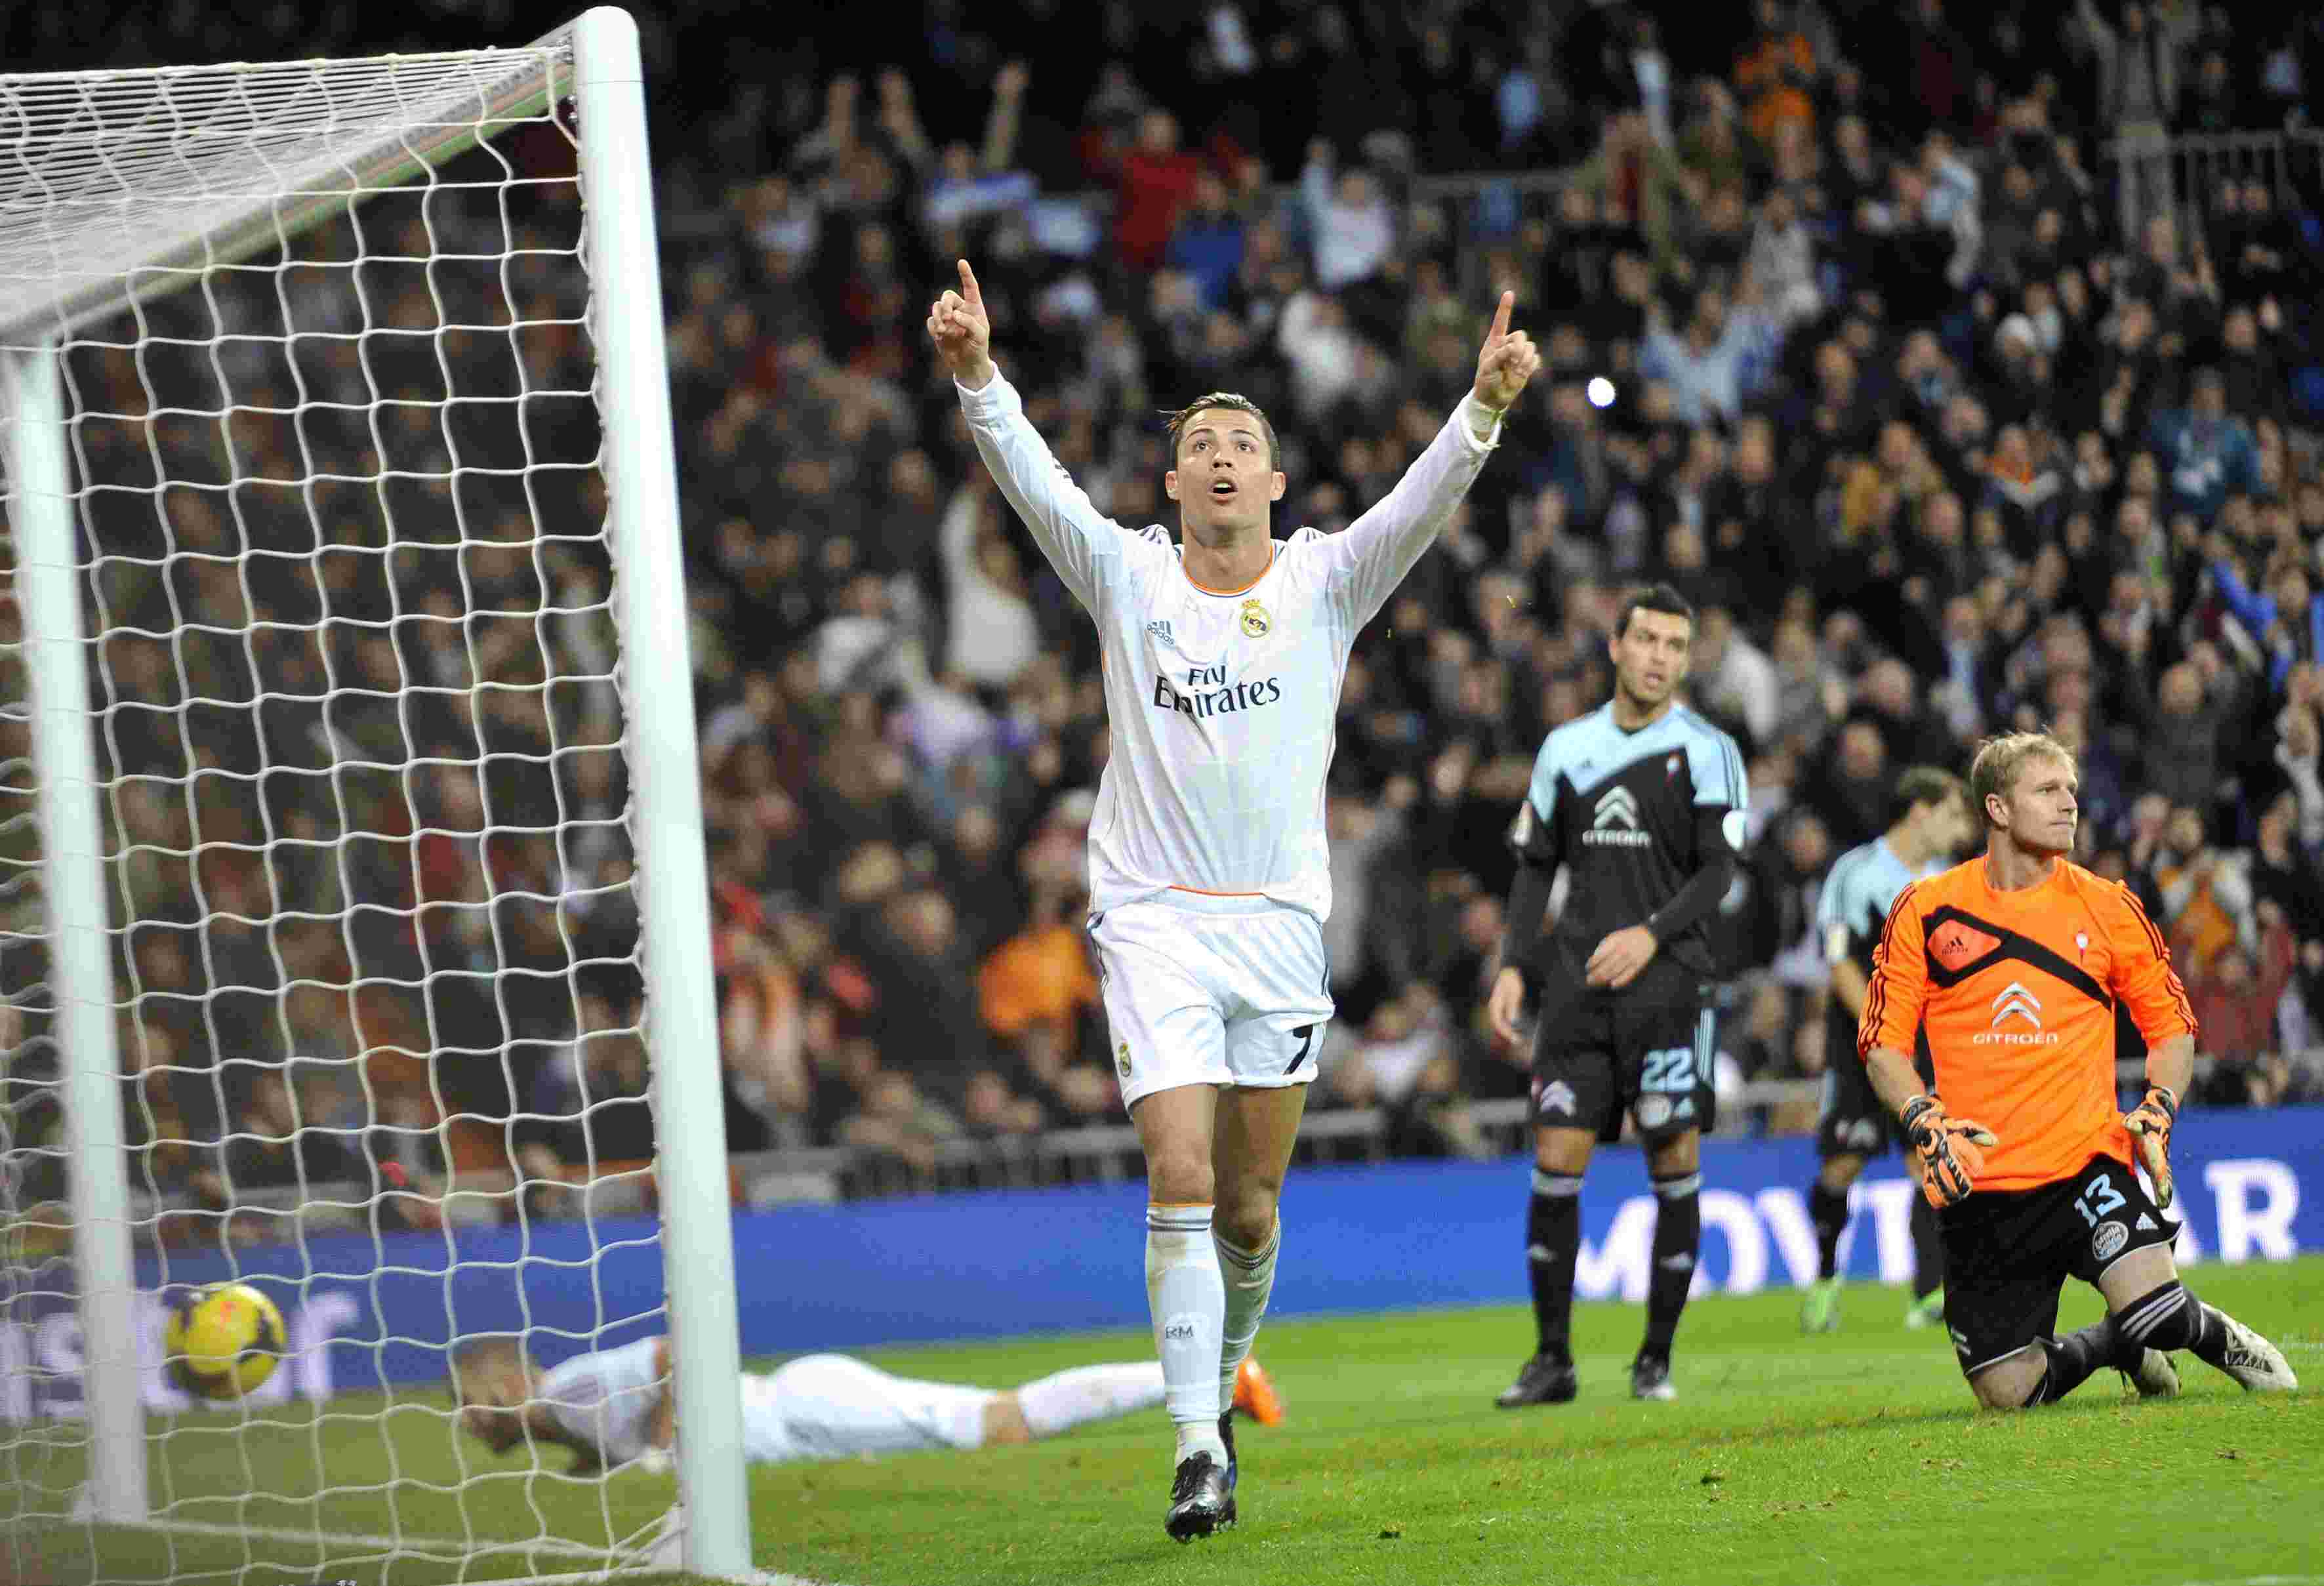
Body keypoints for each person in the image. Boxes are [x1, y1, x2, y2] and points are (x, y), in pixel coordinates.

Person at [926, 258, 1538, 1539]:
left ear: (1272, 482)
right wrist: (980, 377)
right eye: (1199, 444)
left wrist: (1480, 407)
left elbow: (1417, 504)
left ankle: (1220, 1379)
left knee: (1253, 1212)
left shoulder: (1322, 582)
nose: (1218, 457)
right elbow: (1034, 484)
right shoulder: (1127, 578)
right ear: (1170, 483)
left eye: (1240, 445)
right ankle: (1195, 1444)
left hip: (1277, 926)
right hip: (1151, 915)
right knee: (1182, 1170)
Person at [1855, 731, 2297, 1410]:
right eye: (2047, 791)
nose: (2069, 804)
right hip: (1981, 1186)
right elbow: (1882, 1043)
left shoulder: (2108, 906)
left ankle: (2219, 1338)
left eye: (2071, 790)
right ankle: (2116, 1345)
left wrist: (2159, 1106)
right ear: (1997, 808)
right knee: (2011, 1394)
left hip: (2085, 1164)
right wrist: (1922, 1116)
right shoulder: (1924, 909)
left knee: (2158, 1312)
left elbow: (2171, 1026)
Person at [1486, 583, 1750, 1407]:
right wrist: (1514, 965)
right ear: (1616, 647)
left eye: (1675, 646)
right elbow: (1536, 868)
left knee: (1673, 1157)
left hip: (1670, 987)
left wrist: (1650, 934)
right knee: (1555, 1159)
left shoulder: (1709, 750)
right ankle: (1552, 1361)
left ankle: (1655, 1359)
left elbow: (1718, 872)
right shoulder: (1567, 748)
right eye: (1647, 641)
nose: (1659, 658)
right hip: (1577, 989)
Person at [451, 1333, 1284, 1474]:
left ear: (503, 1386)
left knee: (994, 1422)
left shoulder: (567, 1390)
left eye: (468, 1401)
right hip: (802, 1420)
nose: (464, 1420)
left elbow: (678, 1352)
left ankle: (1215, 1377)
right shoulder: (566, 1422)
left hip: (802, 1410)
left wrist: (670, 1443)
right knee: (992, 1425)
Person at [1798, 767, 1974, 1335]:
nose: (1960, 828)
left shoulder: (1946, 880)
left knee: (1927, 1159)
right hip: (1861, 1038)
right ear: (1920, 811)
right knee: (1841, 1165)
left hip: (1923, 1042)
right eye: (1952, 814)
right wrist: (1879, 1029)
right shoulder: (1855, 872)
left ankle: (1928, 1292)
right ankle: (1824, 1279)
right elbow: (1838, 961)